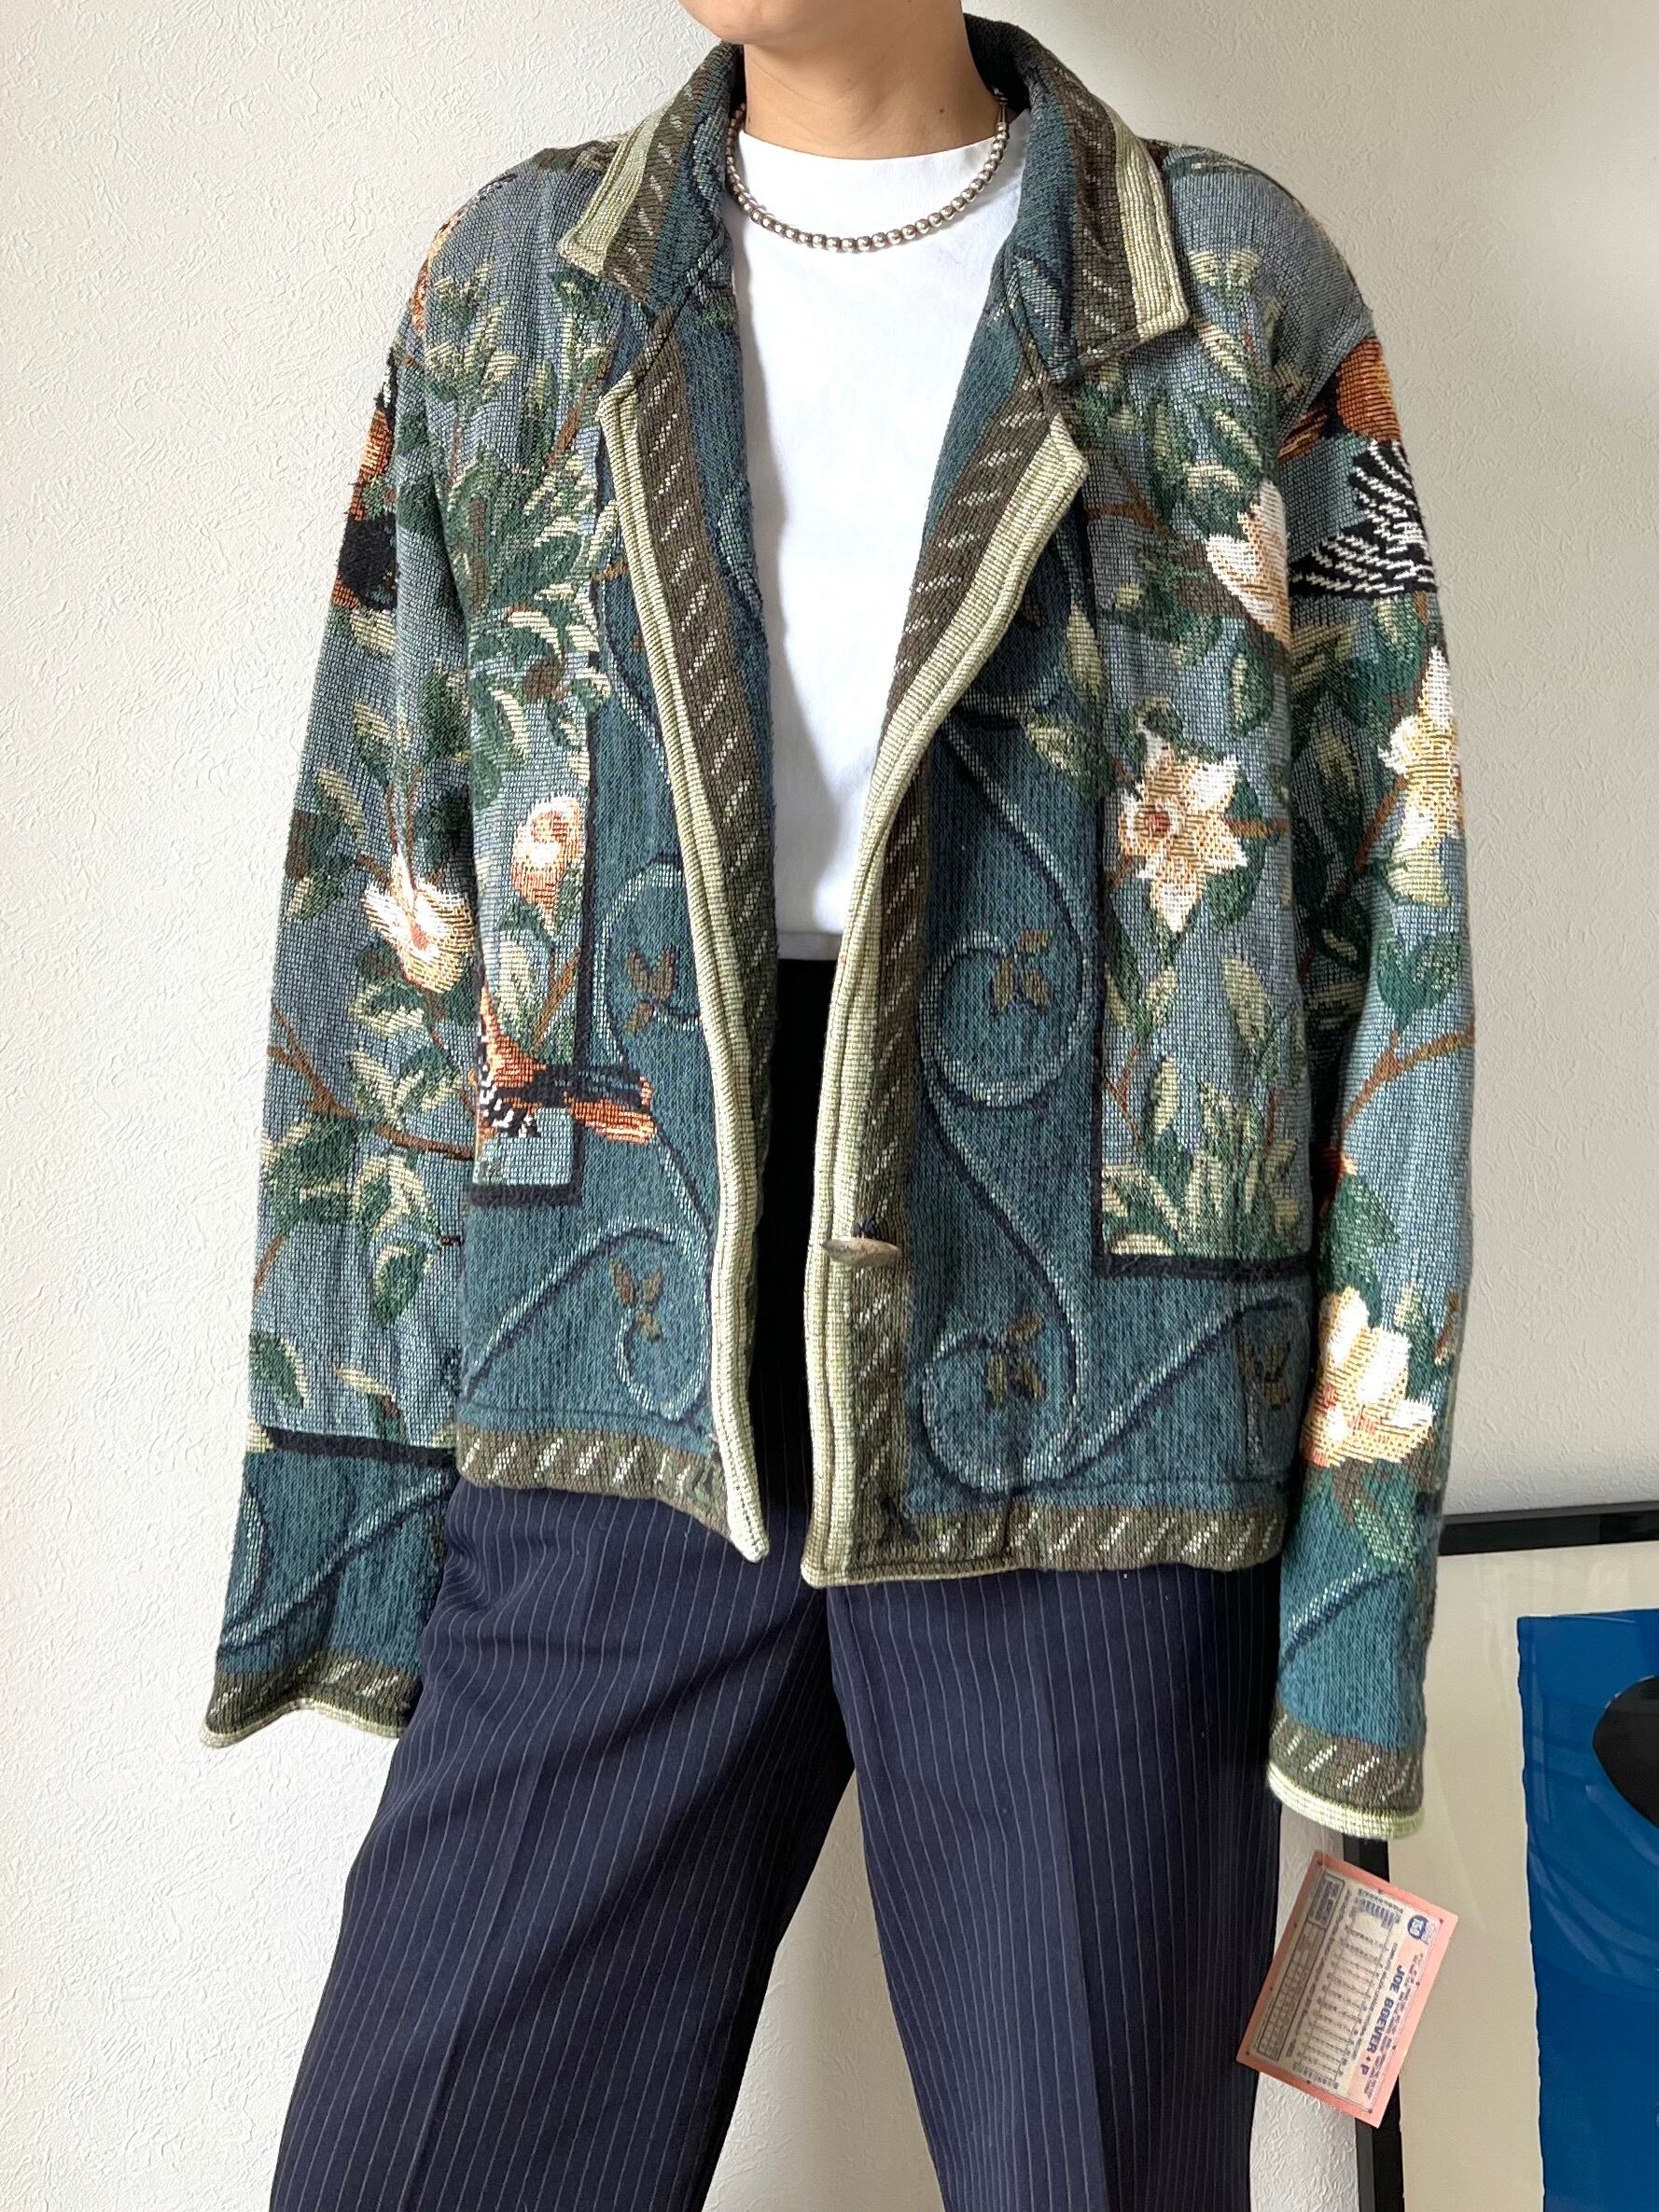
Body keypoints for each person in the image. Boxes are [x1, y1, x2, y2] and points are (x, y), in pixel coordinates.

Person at [202, 6, 1475, 2207]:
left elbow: (1400, 925)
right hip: (602, 1378)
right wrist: (363, 1472)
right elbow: (380, 883)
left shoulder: (1236, 287)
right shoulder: (516, 290)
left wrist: (1356, 1606)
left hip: (1091, 1427)